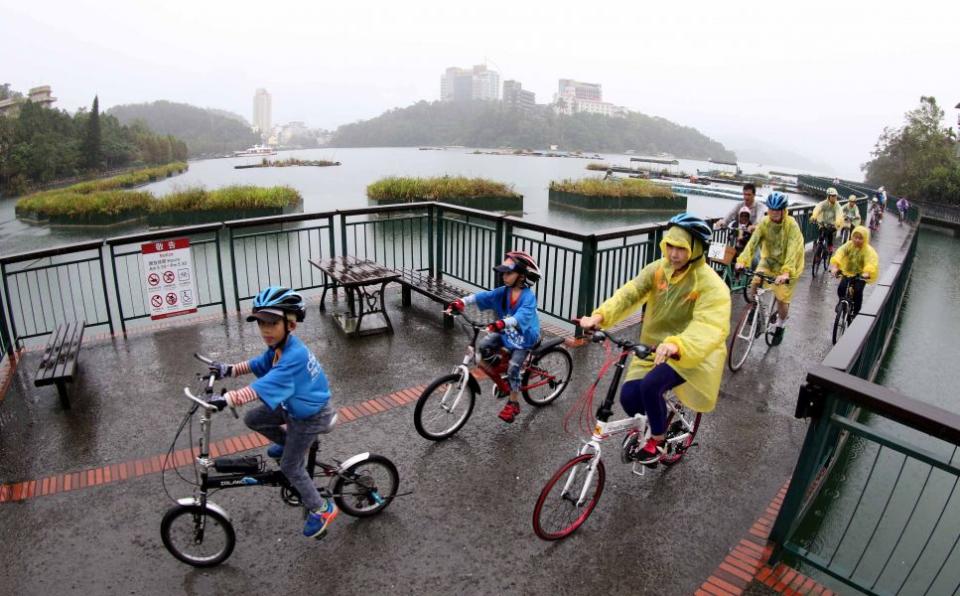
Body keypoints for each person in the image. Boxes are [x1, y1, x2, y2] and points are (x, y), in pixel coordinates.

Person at [577, 213, 731, 465]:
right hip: (651, 347)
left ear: (696, 249)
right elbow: (631, 293)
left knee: (650, 387)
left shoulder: (711, 285)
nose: (673, 254)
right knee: (629, 397)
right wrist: (600, 316)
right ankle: (654, 420)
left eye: (680, 248)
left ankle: (658, 441)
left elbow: (708, 325)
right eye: (669, 245)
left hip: (690, 352)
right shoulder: (658, 270)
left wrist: (676, 344)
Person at [206, 286, 339, 540]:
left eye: (272, 322)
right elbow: (258, 365)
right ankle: (289, 444)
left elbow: (261, 387)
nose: (265, 329)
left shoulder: (293, 357)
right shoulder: (279, 348)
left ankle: (322, 509)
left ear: (291, 325)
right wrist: (228, 369)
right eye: (260, 323)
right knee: (253, 418)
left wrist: (228, 399)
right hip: (293, 407)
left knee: (290, 465)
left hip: (310, 417)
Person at [447, 250, 541, 423]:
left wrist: (501, 324)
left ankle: (513, 402)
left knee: (513, 367)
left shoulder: (528, 297)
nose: (504, 276)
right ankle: (501, 378)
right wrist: (462, 302)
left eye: (509, 272)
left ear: (521, 276)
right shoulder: (504, 291)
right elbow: (485, 296)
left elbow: (521, 317)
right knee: (483, 347)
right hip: (507, 332)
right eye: (503, 272)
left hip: (525, 339)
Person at [735, 191, 805, 345]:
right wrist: (742, 261)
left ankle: (781, 325)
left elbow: (793, 250)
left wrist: (786, 272)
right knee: (754, 283)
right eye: (771, 209)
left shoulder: (791, 225)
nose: (773, 213)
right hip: (770, 260)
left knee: (781, 299)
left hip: (790, 265)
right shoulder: (765, 223)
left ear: (783, 210)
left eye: (777, 210)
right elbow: (752, 243)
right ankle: (755, 310)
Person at [829, 225, 879, 317]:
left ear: (865, 239)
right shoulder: (849, 245)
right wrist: (835, 266)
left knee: (858, 291)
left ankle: (855, 312)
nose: (857, 240)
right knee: (841, 288)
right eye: (855, 237)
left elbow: (871, 261)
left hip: (860, 275)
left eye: (860, 238)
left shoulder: (867, 250)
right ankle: (841, 301)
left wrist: (867, 272)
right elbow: (840, 252)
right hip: (847, 272)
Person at [811, 187, 844, 253]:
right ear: (828, 196)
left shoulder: (837, 206)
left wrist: (837, 222)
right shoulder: (824, 203)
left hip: (833, 224)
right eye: (832, 196)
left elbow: (839, 213)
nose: (834, 197)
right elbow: (818, 208)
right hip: (823, 223)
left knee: (829, 233)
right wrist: (814, 216)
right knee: (821, 234)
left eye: (835, 196)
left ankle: (830, 246)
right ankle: (818, 250)